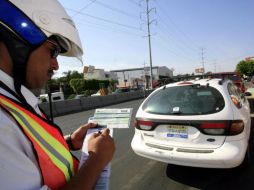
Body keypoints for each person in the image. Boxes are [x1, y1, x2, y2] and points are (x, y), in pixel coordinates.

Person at [0, 0, 115, 189]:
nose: (56, 65)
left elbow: (31, 150)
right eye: (52, 51)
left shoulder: (15, 99)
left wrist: (69, 141)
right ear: (17, 41)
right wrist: (97, 159)